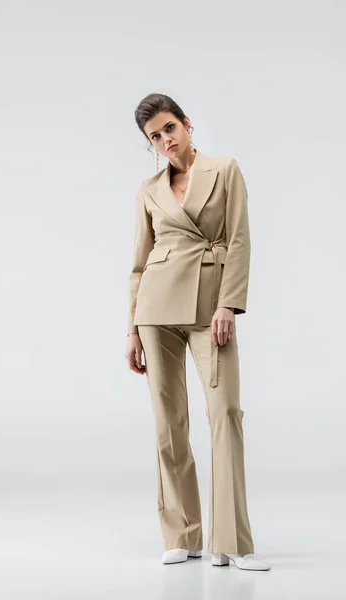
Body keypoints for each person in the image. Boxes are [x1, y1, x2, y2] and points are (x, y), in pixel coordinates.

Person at [125, 93, 271, 571]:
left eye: (170, 128)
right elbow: (139, 264)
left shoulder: (224, 169)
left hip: (212, 304)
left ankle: (232, 541)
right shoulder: (149, 188)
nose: (166, 141)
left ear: (186, 124)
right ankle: (182, 532)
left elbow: (240, 238)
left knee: (225, 411)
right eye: (155, 137)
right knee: (169, 423)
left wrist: (229, 303)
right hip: (156, 308)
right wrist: (132, 330)